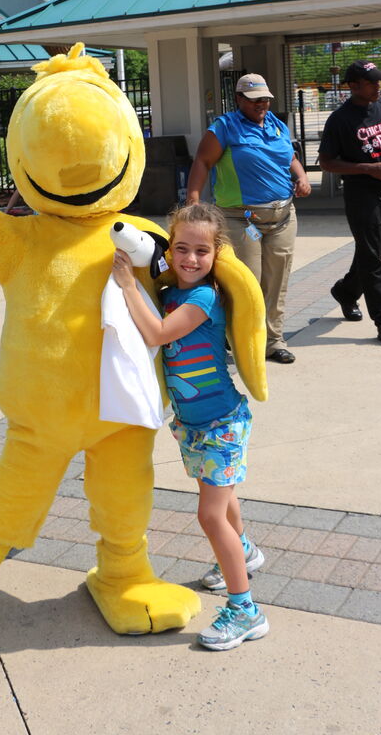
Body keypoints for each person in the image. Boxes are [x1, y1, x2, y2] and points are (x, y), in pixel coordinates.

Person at [112, 202, 268, 652]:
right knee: (224, 497)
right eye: (182, 248)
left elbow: (158, 334)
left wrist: (126, 286)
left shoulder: (205, 298)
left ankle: (245, 611)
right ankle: (244, 553)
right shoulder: (171, 293)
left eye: (202, 250)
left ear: (218, 253)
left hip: (221, 422)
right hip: (194, 423)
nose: (191, 259)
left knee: (209, 513)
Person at [186, 73, 311, 364]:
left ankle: (273, 340)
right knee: (246, 282)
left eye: (265, 98)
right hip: (241, 219)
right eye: (255, 100)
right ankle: (239, 337)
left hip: (282, 216)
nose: (262, 104)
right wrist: (193, 201)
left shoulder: (277, 125)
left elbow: (290, 156)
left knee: (276, 280)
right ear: (239, 99)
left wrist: (302, 176)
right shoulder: (225, 127)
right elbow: (203, 161)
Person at [318, 60, 381, 348]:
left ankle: (346, 291)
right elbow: (326, 162)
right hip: (361, 195)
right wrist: (365, 168)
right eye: (372, 82)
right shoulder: (340, 119)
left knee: (378, 245)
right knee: (372, 259)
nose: (378, 86)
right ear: (353, 86)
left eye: (378, 81)